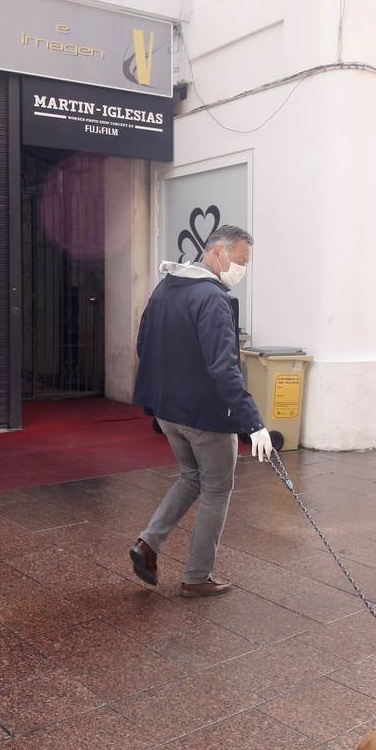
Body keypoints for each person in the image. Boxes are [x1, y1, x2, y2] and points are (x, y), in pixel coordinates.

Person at [128, 225, 271, 597]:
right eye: (239, 261)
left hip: (166, 410)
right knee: (217, 488)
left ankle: (147, 544)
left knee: (191, 476)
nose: (241, 269)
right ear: (217, 253)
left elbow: (143, 343)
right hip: (205, 415)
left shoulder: (166, 286)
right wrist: (252, 423)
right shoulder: (212, 298)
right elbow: (224, 367)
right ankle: (197, 576)